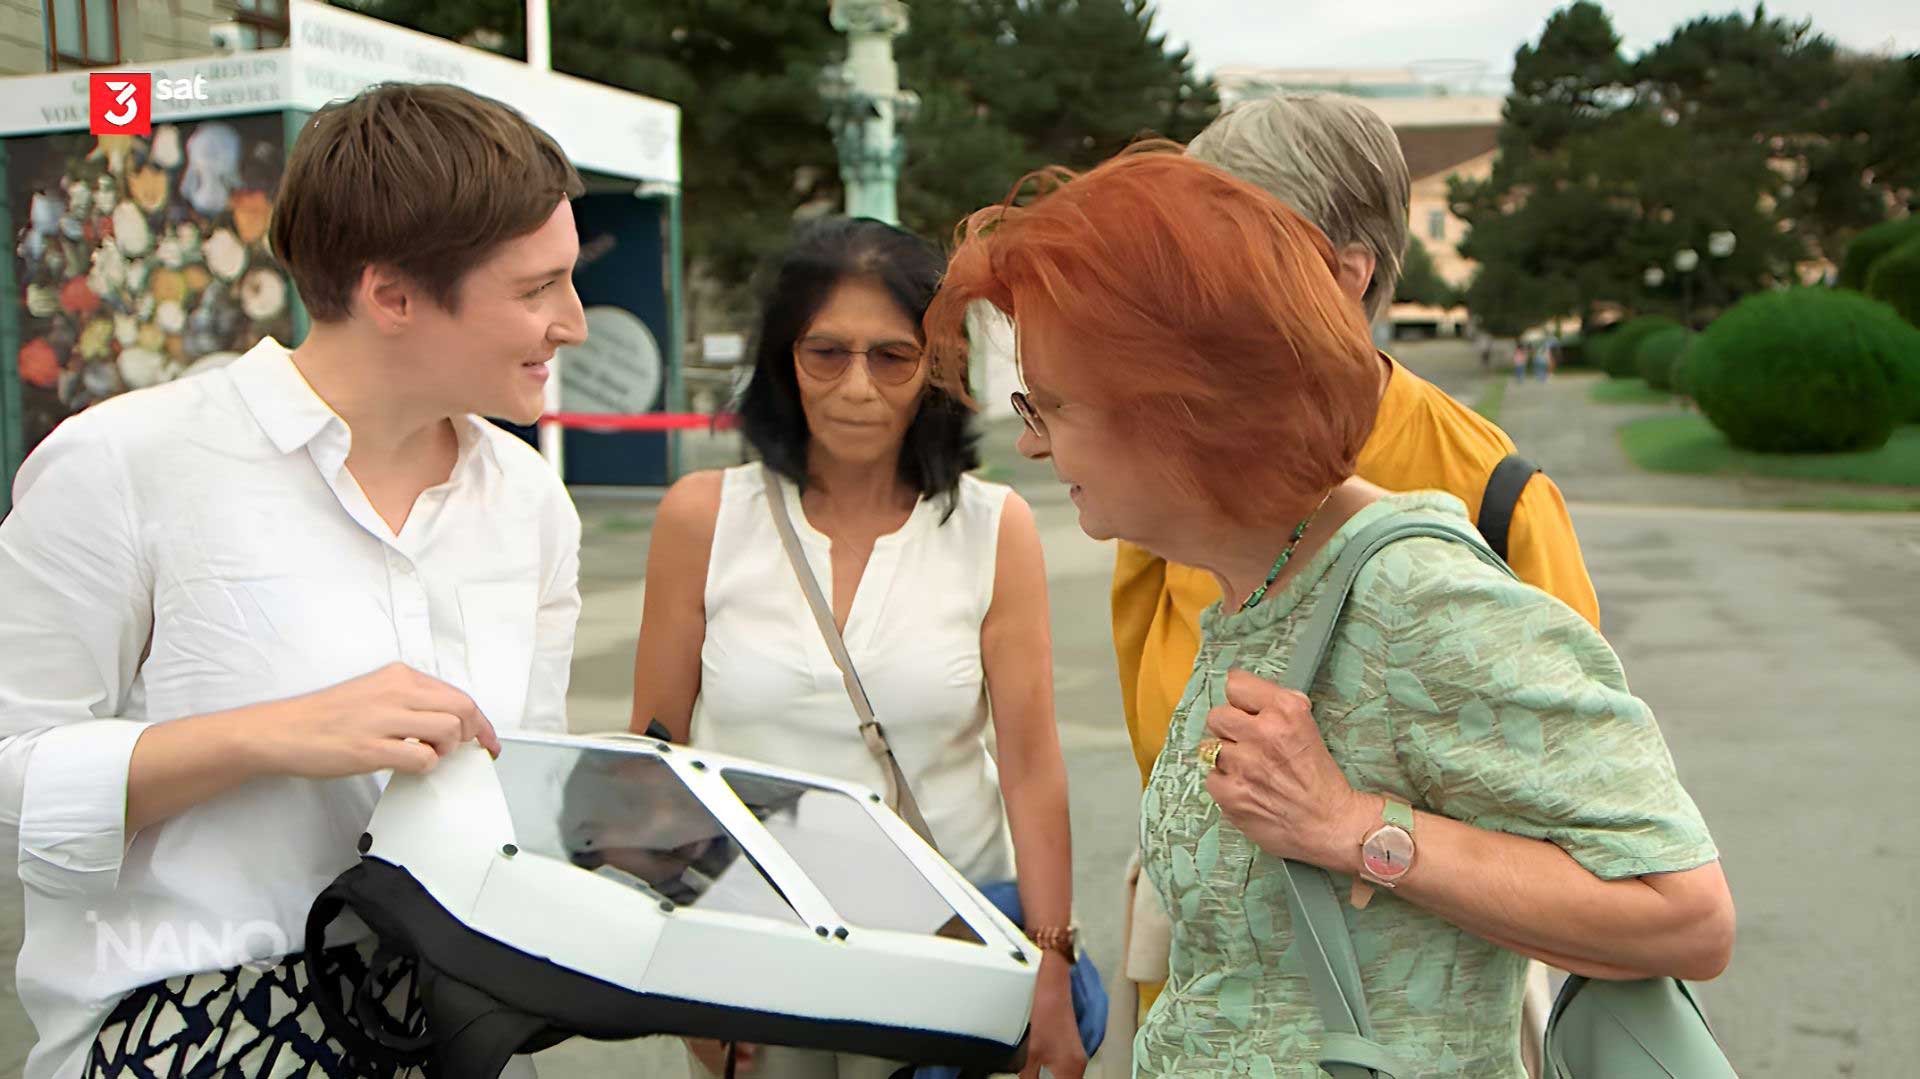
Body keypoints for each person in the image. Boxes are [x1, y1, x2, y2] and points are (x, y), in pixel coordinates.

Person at [923, 145, 1734, 1079]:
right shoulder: (1258, 578)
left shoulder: (1417, 600)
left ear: (1181, 408)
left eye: (1050, 406)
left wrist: (1354, 828)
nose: (1027, 442)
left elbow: (1687, 914)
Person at [0, 82, 587, 1079]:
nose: (571, 321)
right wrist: (266, 734)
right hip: (192, 1029)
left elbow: (524, 802)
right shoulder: (123, 463)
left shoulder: (529, 501)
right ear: (391, 295)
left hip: (456, 1029)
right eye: (535, 289)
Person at [1106, 93, 1600, 1072]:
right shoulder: (1161, 487)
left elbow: (1599, 863)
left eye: (1216, 261)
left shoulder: (1494, 496)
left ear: (1342, 274)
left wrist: (1352, 828)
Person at [629, 218, 1084, 1079]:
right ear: (782, 361)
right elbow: (658, 756)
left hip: (943, 945)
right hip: (752, 949)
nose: (857, 386)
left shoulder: (993, 528)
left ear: (937, 368)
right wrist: (679, 964)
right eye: (825, 353)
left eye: (892, 356)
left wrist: (1051, 961)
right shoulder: (702, 517)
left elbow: (1032, 766)